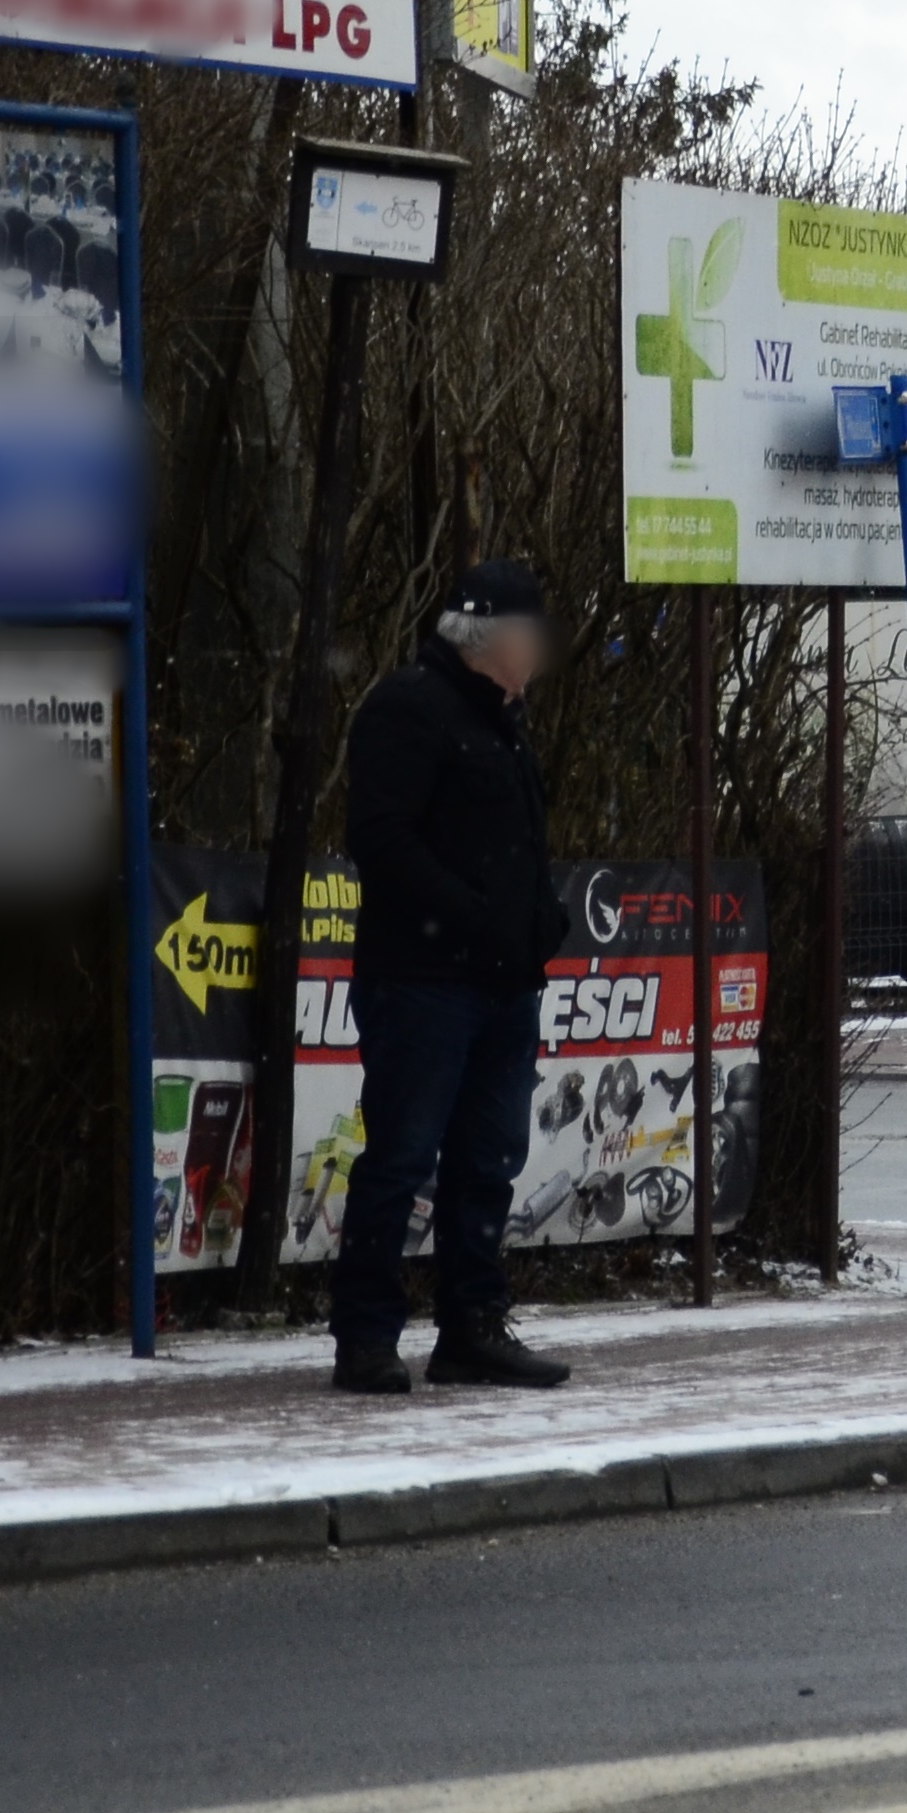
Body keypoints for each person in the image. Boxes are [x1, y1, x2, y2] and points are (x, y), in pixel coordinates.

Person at [333, 559, 570, 1395]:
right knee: (400, 1157)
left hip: (503, 986)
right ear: (493, 637)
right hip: (424, 981)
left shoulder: (505, 720)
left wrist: (541, 919)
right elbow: (383, 837)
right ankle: (364, 1337)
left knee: (488, 1162)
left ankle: (471, 1328)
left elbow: (515, 847)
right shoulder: (410, 707)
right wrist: (471, 916)